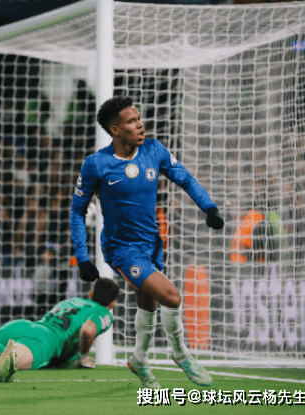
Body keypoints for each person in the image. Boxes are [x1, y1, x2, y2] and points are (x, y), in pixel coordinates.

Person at [70, 96, 224, 389]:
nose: (140, 125)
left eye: (139, 118)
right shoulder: (97, 164)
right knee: (172, 297)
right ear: (115, 130)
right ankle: (181, 354)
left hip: (151, 244)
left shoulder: (154, 150)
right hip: (122, 249)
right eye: (131, 121)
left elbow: (186, 179)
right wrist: (83, 257)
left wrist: (210, 208)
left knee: (148, 303)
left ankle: (139, 358)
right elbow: (77, 211)